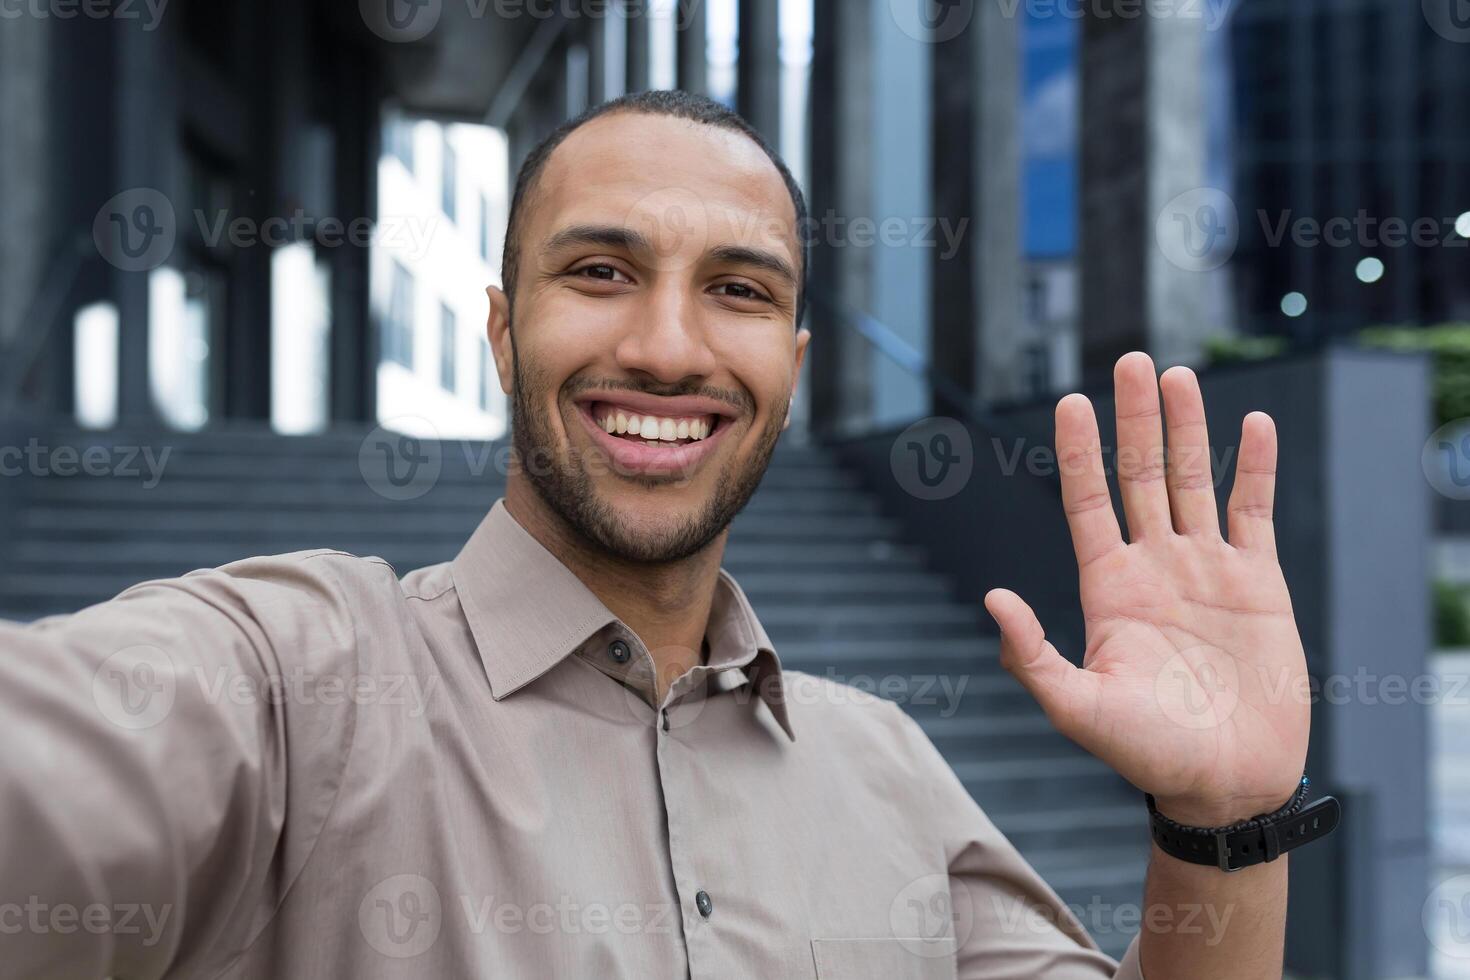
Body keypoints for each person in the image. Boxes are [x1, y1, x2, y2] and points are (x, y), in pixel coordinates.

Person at [1, 91, 1317, 978]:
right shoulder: (295, 680)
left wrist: (1218, 821)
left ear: (791, 364)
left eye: (736, 291)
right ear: (501, 330)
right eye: (599, 271)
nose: (667, 347)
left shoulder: (887, 770)